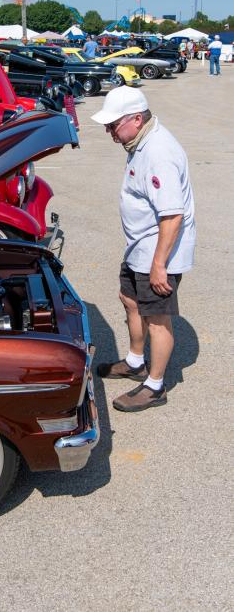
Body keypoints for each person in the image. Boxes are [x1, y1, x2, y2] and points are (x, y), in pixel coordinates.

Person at [91, 86, 196, 412]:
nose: (109, 131)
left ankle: (155, 385)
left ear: (136, 119)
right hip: (141, 246)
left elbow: (172, 214)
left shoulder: (158, 153)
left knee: (157, 319)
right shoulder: (140, 141)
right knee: (130, 299)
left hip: (157, 250)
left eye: (113, 125)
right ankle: (135, 361)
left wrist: (160, 265)